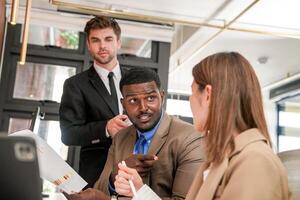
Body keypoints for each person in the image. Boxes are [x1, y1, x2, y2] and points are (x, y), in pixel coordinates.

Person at [115, 52, 293, 200]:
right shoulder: (222, 158)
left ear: (207, 95)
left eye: (192, 92)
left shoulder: (255, 161)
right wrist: (140, 193)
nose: (191, 101)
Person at [64, 67, 204, 200]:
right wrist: (116, 176)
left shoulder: (190, 138)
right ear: (123, 104)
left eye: (150, 98)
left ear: (162, 97)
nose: (143, 108)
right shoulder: (120, 137)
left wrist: (139, 192)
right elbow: (100, 190)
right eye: (133, 101)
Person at [59, 16, 130, 188]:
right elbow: (68, 134)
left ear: (118, 42)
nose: (102, 46)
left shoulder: (136, 79)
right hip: (95, 174)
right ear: (89, 45)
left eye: (108, 39)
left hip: (135, 170)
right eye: (95, 40)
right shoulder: (75, 84)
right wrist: (105, 128)